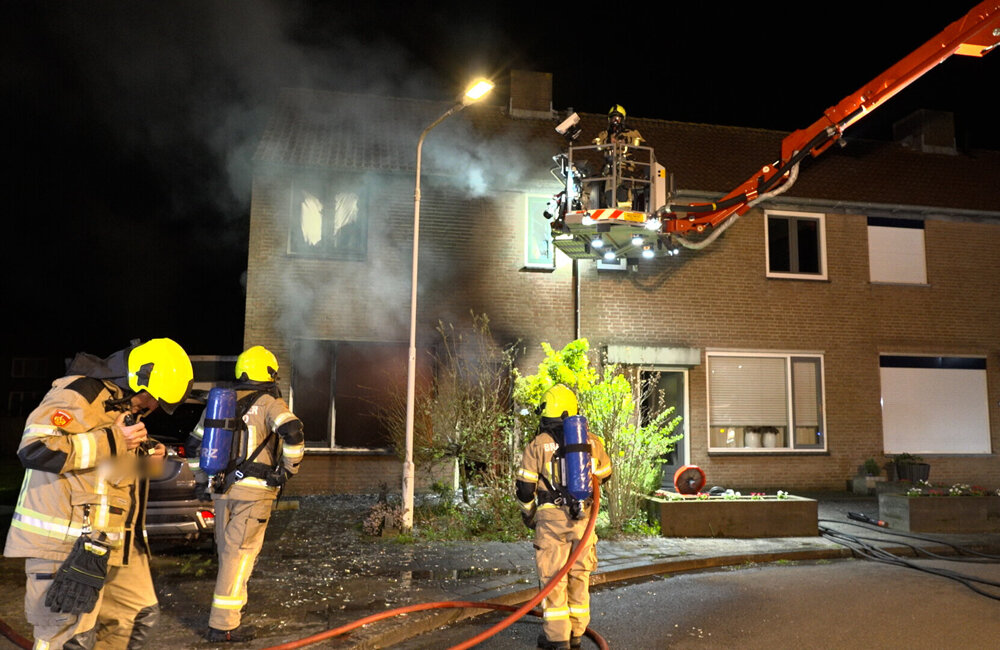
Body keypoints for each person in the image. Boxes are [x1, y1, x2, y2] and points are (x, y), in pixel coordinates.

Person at [4, 338, 194, 649]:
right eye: (153, 397)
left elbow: (103, 473)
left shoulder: (119, 405)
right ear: (137, 378)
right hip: (62, 545)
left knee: (135, 617)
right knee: (66, 638)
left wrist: (144, 457)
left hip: (107, 544)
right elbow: (36, 449)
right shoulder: (80, 392)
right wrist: (116, 440)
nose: (153, 406)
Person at [187, 345, 305, 642]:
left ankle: (230, 613)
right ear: (268, 373)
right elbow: (293, 431)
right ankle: (224, 626)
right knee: (239, 556)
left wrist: (203, 480)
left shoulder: (219, 403)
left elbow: (193, 447)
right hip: (254, 493)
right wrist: (288, 469)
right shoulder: (268, 403)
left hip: (221, 490)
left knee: (230, 554)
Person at [516, 384, 612, 650]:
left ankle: (557, 638)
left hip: (551, 521)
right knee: (579, 575)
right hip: (584, 520)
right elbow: (605, 474)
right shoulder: (591, 441)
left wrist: (529, 513)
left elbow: (525, 489)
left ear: (546, 411)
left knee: (553, 577)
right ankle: (576, 633)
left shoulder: (537, 445)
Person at [591, 104, 648, 210]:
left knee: (624, 191)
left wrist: (626, 141)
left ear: (622, 119)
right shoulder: (605, 134)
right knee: (609, 193)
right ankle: (611, 210)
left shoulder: (631, 132)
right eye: (613, 118)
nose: (615, 121)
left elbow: (643, 145)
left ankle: (625, 211)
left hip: (626, 167)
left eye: (617, 118)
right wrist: (607, 141)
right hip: (610, 168)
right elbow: (594, 145)